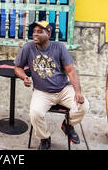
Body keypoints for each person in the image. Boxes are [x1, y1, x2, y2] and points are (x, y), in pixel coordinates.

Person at [14, 21, 89, 150]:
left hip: (63, 89)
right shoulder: (28, 48)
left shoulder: (59, 47)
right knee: (35, 113)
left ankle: (68, 125)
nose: (35, 34)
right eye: (34, 32)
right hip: (42, 91)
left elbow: (71, 71)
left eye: (40, 31)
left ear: (49, 34)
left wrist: (77, 92)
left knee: (83, 106)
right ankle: (44, 138)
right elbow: (17, 67)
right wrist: (24, 77)